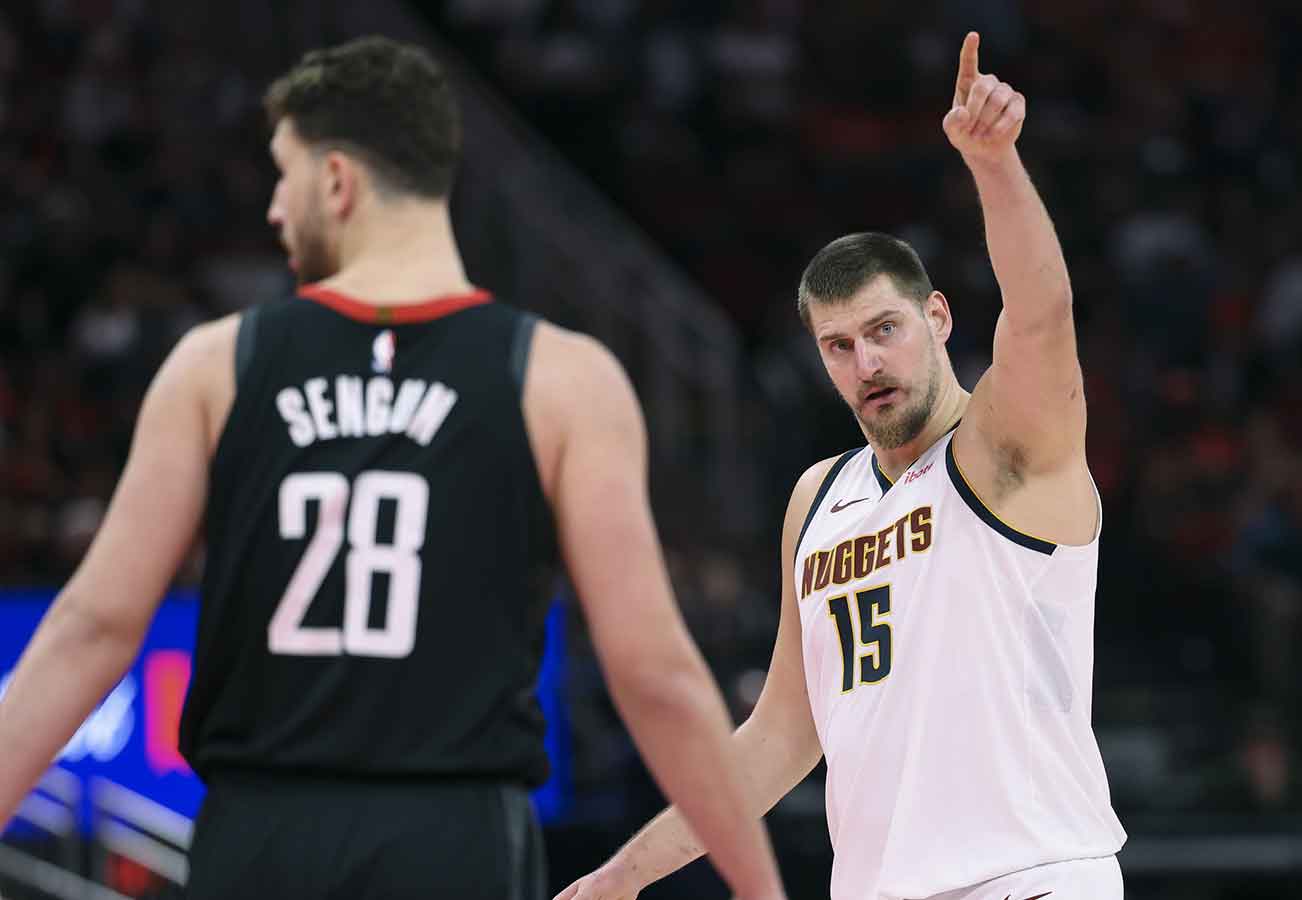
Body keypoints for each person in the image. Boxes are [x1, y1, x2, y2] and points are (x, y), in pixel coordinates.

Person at [0, 35, 785, 900]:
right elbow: (655, 673)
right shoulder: (565, 378)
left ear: (336, 180)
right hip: (454, 837)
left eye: (283, 173)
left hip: (261, 835)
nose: (271, 207)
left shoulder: (216, 365)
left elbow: (93, 628)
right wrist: (758, 888)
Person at [558, 32, 1126, 900]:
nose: (866, 363)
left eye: (884, 330)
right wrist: (623, 876)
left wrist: (995, 164)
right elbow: (780, 736)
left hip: (1032, 879)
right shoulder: (818, 499)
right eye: (839, 345)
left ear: (937, 317)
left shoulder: (1005, 449)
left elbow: (1042, 313)